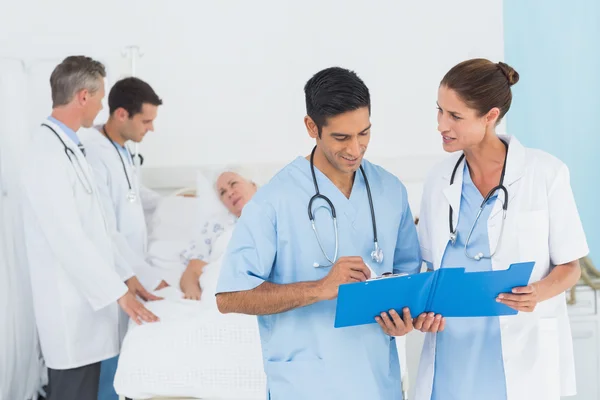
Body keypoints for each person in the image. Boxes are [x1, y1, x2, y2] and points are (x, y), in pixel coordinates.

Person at [215, 67, 422, 400]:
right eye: (341, 138)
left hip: (376, 382)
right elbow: (229, 298)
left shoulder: (390, 190)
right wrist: (320, 288)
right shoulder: (274, 200)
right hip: (305, 385)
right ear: (312, 127)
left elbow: (408, 278)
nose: (356, 149)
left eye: (364, 134)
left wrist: (404, 317)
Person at [414, 58, 588, 400]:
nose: (441, 125)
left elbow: (571, 268)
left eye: (455, 116)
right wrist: (421, 312)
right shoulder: (438, 180)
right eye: (440, 111)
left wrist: (538, 292)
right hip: (453, 355)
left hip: (525, 355)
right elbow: (427, 273)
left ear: (490, 116)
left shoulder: (546, 173)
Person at [19, 56, 159, 400]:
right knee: (72, 391)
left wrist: (127, 277)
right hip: (69, 308)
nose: (101, 106)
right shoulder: (46, 153)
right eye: (99, 98)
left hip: (90, 304)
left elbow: (100, 226)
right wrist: (117, 292)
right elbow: (67, 238)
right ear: (83, 96)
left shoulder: (72, 148)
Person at [78, 77, 168, 400]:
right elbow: (104, 227)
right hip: (114, 272)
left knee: (123, 355)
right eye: (146, 121)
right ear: (121, 115)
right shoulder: (93, 153)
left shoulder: (123, 151)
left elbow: (134, 195)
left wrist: (177, 202)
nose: (151, 129)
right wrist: (140, 276)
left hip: (131, 269)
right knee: (108, 360)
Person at [179, 171, 257, 300]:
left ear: (253, 184)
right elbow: (193, 270)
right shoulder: (215, 227)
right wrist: (192, 291)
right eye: (223, 192)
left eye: (233, 184)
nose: (230, 193)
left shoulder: (280, 211)